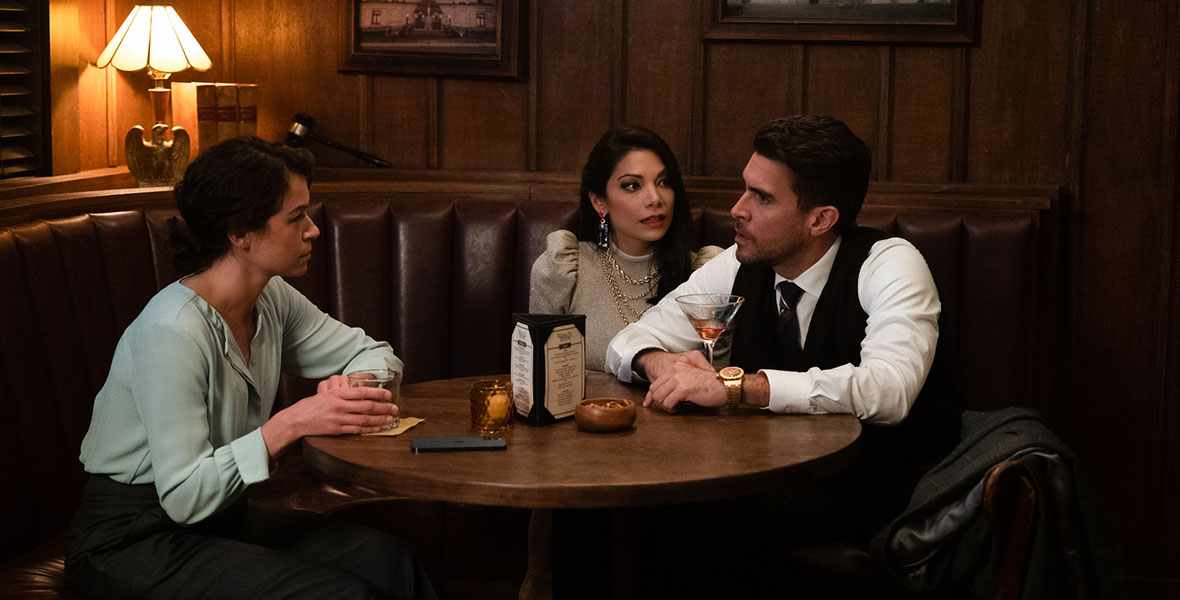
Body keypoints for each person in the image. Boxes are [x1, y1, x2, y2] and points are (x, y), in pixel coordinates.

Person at [65, 137, 437, 600]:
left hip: (221, 516)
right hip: (131, 537)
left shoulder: (271, 297)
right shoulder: (172, 331)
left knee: (388, 560)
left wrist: (351, 388)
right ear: (240, 233)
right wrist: (293, 422)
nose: (314, 230)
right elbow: (184, 497)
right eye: (296, 217)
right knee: (336, 593)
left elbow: (373, 352)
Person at [604, 115, 963, 594]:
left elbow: (890, 391)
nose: (738, 209)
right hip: (773, 474)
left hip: (878, 485)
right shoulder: (740, 261)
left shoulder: (889, 263)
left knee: (684, 517)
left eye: (763, 197)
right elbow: (628, 341)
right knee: (634, 505)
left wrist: (734, 386)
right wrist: (659, 361)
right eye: (745, 189)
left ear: (821, 218)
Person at [529, 125, 722, 370]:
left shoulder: (703, 272)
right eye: (632, 185)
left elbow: (718, 377)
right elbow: (541, 375)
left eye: (664, 182)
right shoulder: (564, 269)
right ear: (599, 201)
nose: (655, 198)